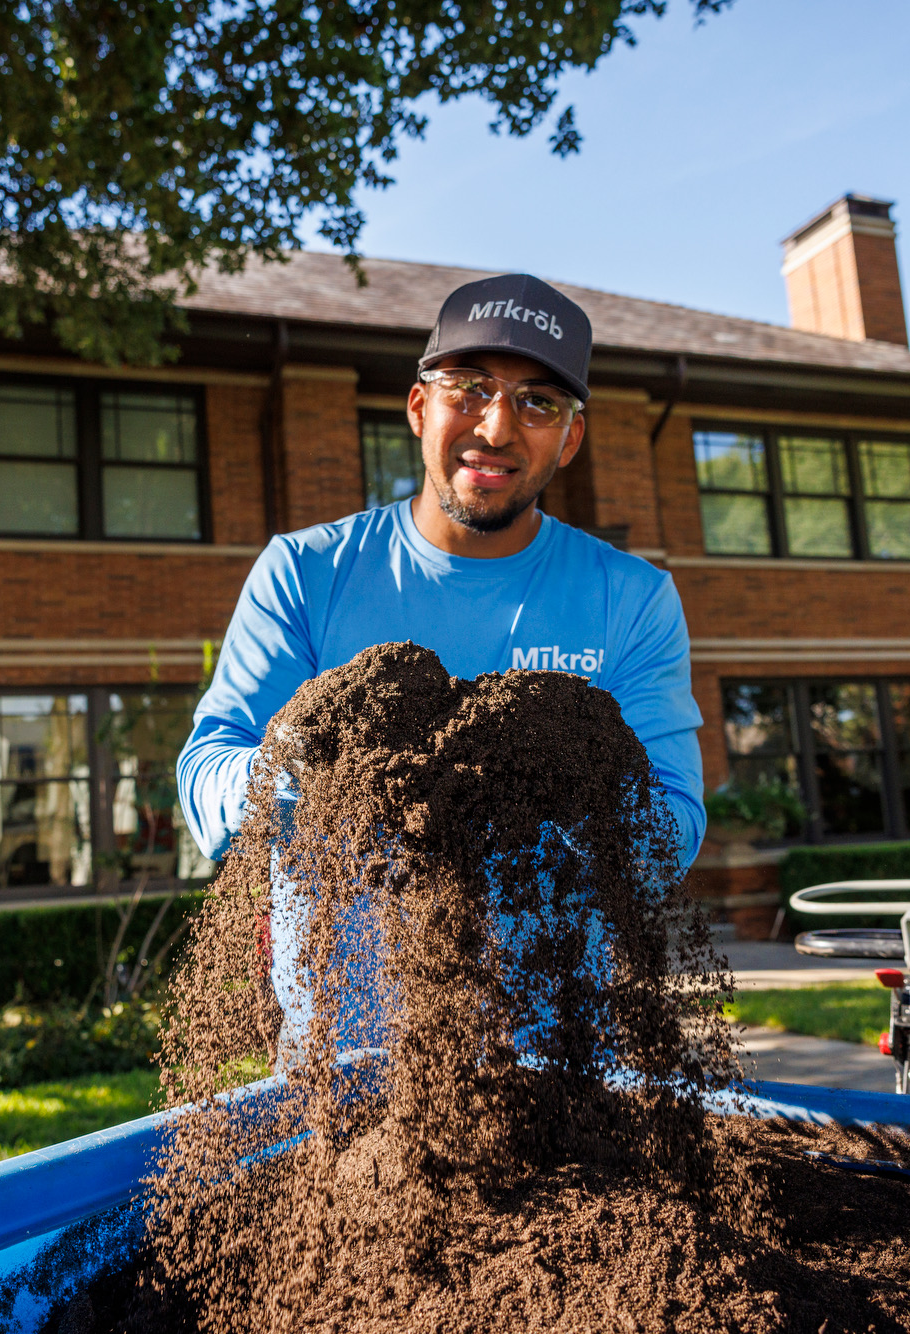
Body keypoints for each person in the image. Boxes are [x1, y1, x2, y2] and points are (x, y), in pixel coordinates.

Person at [176, 273, 705, 1051]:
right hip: (343, 1062)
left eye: (538, 403)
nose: (496, 427)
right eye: (470, 388)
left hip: (564, 1058)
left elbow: (673, 827)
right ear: (420, 407)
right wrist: (297, 771)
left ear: (571, 437)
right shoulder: (305, 573)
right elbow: (207, 777)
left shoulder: (630, 599)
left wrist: (535, 793)